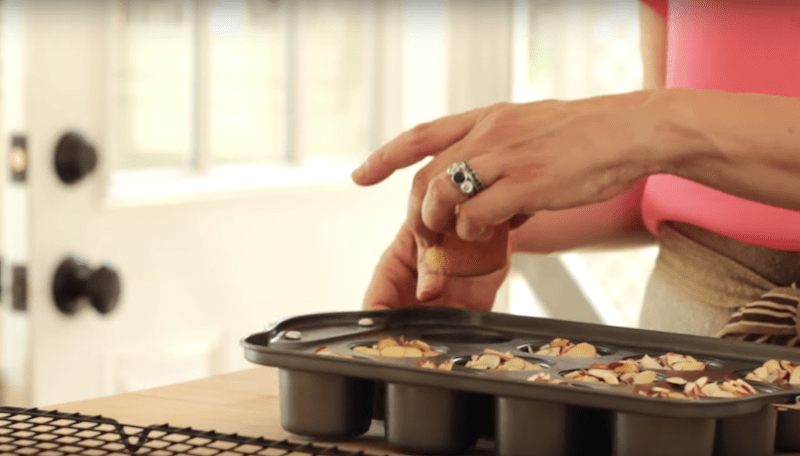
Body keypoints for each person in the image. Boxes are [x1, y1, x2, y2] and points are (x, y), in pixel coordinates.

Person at [350, 0, 800, 343]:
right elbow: (676, 167)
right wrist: (496, 213)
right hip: (682, 360)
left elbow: (666, 134)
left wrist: (647, 125)